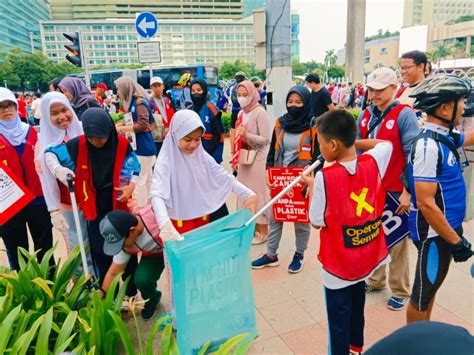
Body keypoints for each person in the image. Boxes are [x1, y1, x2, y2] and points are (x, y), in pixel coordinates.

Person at [303, 109, 393, 355]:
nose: (319, 149)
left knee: (337, 322)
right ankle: (357, 349)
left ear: (333, 144)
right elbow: (385, 144)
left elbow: (316, 221)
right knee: (356, 310)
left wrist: (311, 187)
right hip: (365, 256)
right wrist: (354, 142)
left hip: (338, 265)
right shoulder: (373, 161)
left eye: (320, 144)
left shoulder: (324, 177)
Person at [405, 74, 473, 323]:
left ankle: (425, 335)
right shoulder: (427, 146)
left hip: (444, 230)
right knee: (421, 295)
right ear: (445, 107)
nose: (464, 107)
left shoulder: (442, 135)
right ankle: (415, 345)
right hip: (433, 234)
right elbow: (425, 202)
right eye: (461, 101)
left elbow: (468, 137)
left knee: (430, 290)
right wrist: (456, 241)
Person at [44, 108, 140, 283]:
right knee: (99, 247)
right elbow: (50, 153)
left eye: (101, 137)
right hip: (93, 204)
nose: (96, 141)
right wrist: (58, 169)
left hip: (117, 201)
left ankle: (130, 292)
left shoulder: (121, 144)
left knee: (126, 245)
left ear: (109, 130)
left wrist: (132, 185)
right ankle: (109, 292)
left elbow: (134, 165)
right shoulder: (77, 145)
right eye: (91, 137)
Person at [358, 67, 419, 311]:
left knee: (397, 241)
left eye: (380, 90)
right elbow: (357, 150)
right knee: (373, 235)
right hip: (369, 189)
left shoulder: (405, 115)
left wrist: (408, 191)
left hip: (395, 190)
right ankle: (375, 278)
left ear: (394, 88)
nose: (374, 94)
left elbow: (413, 155)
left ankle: (401, 289)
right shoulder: (364, 114)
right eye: (371, 89)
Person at [150, 109, 258, 240]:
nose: (193, 145)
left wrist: (249, 194)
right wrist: (164, 223)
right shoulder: (165, 162)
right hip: (177, 224)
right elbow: (157, 194)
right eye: (187, 139)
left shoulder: (201, 156)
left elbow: (223, 177)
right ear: (175, 135)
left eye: (197, 139)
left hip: (202, 219)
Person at [252, 86, 319, 272]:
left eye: (299, 102)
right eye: (291, 102)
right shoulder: (280, 123)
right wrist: (268, 171)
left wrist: (312, 180)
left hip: (302, 179)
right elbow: (273, 149)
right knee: (276, 215)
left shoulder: (313, 124)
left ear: (306, 103)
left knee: (301, 219)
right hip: (280, 177)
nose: (294, 106)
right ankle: (271, 254)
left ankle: (299, 254)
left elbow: (319, 156)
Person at [37, 92, 94, 274]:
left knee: (95, 242)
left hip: (92, 199)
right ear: (47, 117)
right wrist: (53, 210)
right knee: (79, 246)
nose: (62, 117)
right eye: (54, 113)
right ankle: (84, 287)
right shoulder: (47, 147)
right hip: (71, 205)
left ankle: (103, 285)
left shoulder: (84, 134)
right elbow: (50, 170)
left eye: (64, 110)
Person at [0, 88, 54, 271]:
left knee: (45, 247)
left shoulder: (31, 132)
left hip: (38, 200)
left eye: (9, 106)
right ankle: (23, 292)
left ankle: (51, 287)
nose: (6, 110)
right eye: (1, 107)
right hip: (9, 204)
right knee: (16, 250)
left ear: (16, 107)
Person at [100, 208, 165, 320]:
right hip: (155, 255)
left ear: (133, 231)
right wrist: (101, 296)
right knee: (142, 279)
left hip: (176, 246)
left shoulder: (155, 215)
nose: (120, 247)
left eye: (120, 243)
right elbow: (113, 272)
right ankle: (152, 299)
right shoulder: (125, 244)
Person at [233, 80, 271, 245]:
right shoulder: (242, 113)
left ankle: (263, 231)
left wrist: (246, 135)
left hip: (257, 159)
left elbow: (265, 139)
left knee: (258, 193)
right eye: (239, 95)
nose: (241, 98)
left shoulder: (259, 112)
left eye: (245, 95)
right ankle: (252, 229)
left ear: (252, 94)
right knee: (246, 193)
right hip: (244, 158)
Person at [114, 77, 157, 208]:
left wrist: (120, 128)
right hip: (143, 147)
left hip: (143, 148)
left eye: (118, 89)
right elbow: (136, 122)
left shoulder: (139, 103)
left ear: (126, 89)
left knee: (139, 180)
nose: (117, 92)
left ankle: (141, 210)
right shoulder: (133, 102)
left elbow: (143, 125)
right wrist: (123, 124)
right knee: (148, 179)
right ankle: (151, 208)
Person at [190, 78, 225, 164]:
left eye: (199, 90)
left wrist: (206, 153)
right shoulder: (189, 110)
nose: (196, 93)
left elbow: (219, 135)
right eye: (193, 91)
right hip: (194, 155)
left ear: (204, 90)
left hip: (211, 155)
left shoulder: (212, 109)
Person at [397, 50, 428, 115]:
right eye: (402, 68)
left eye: (407, 67)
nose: (403, 72)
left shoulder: (429, 91)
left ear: (420, 67)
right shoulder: (400, 92)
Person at [149, 76, 175, 155]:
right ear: (151, 88)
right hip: (156, 139)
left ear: (163, 86)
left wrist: (169, 129)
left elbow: (172, 117)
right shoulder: (149, 103)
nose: (157, 88)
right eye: (155, 86)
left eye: (159, 85)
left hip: (169, 137)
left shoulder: (167, 100)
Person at [228, 71, 247, 154]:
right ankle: (244, 151)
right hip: (244, 111)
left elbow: (225, 96)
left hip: (234, 111)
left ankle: (233, 151)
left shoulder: (231, 87)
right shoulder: (246, 86)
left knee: (233, 131)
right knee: (245, 130)